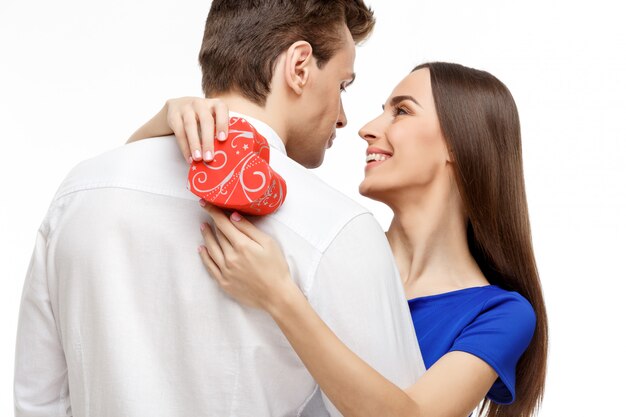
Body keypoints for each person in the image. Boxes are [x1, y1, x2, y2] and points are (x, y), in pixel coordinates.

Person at [14, 1, 424, 416]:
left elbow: (38, 401)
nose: (342, 117)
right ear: (300, 67)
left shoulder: (81, 191)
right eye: (342, 86)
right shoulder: (338, 228)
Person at [133, 62, 548, 417]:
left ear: (461, 142)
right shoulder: (336, 249)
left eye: (401, 111)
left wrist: (280, 297)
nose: (366, 129)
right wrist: (169, 116)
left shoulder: (500, 315)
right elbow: (134, 205)